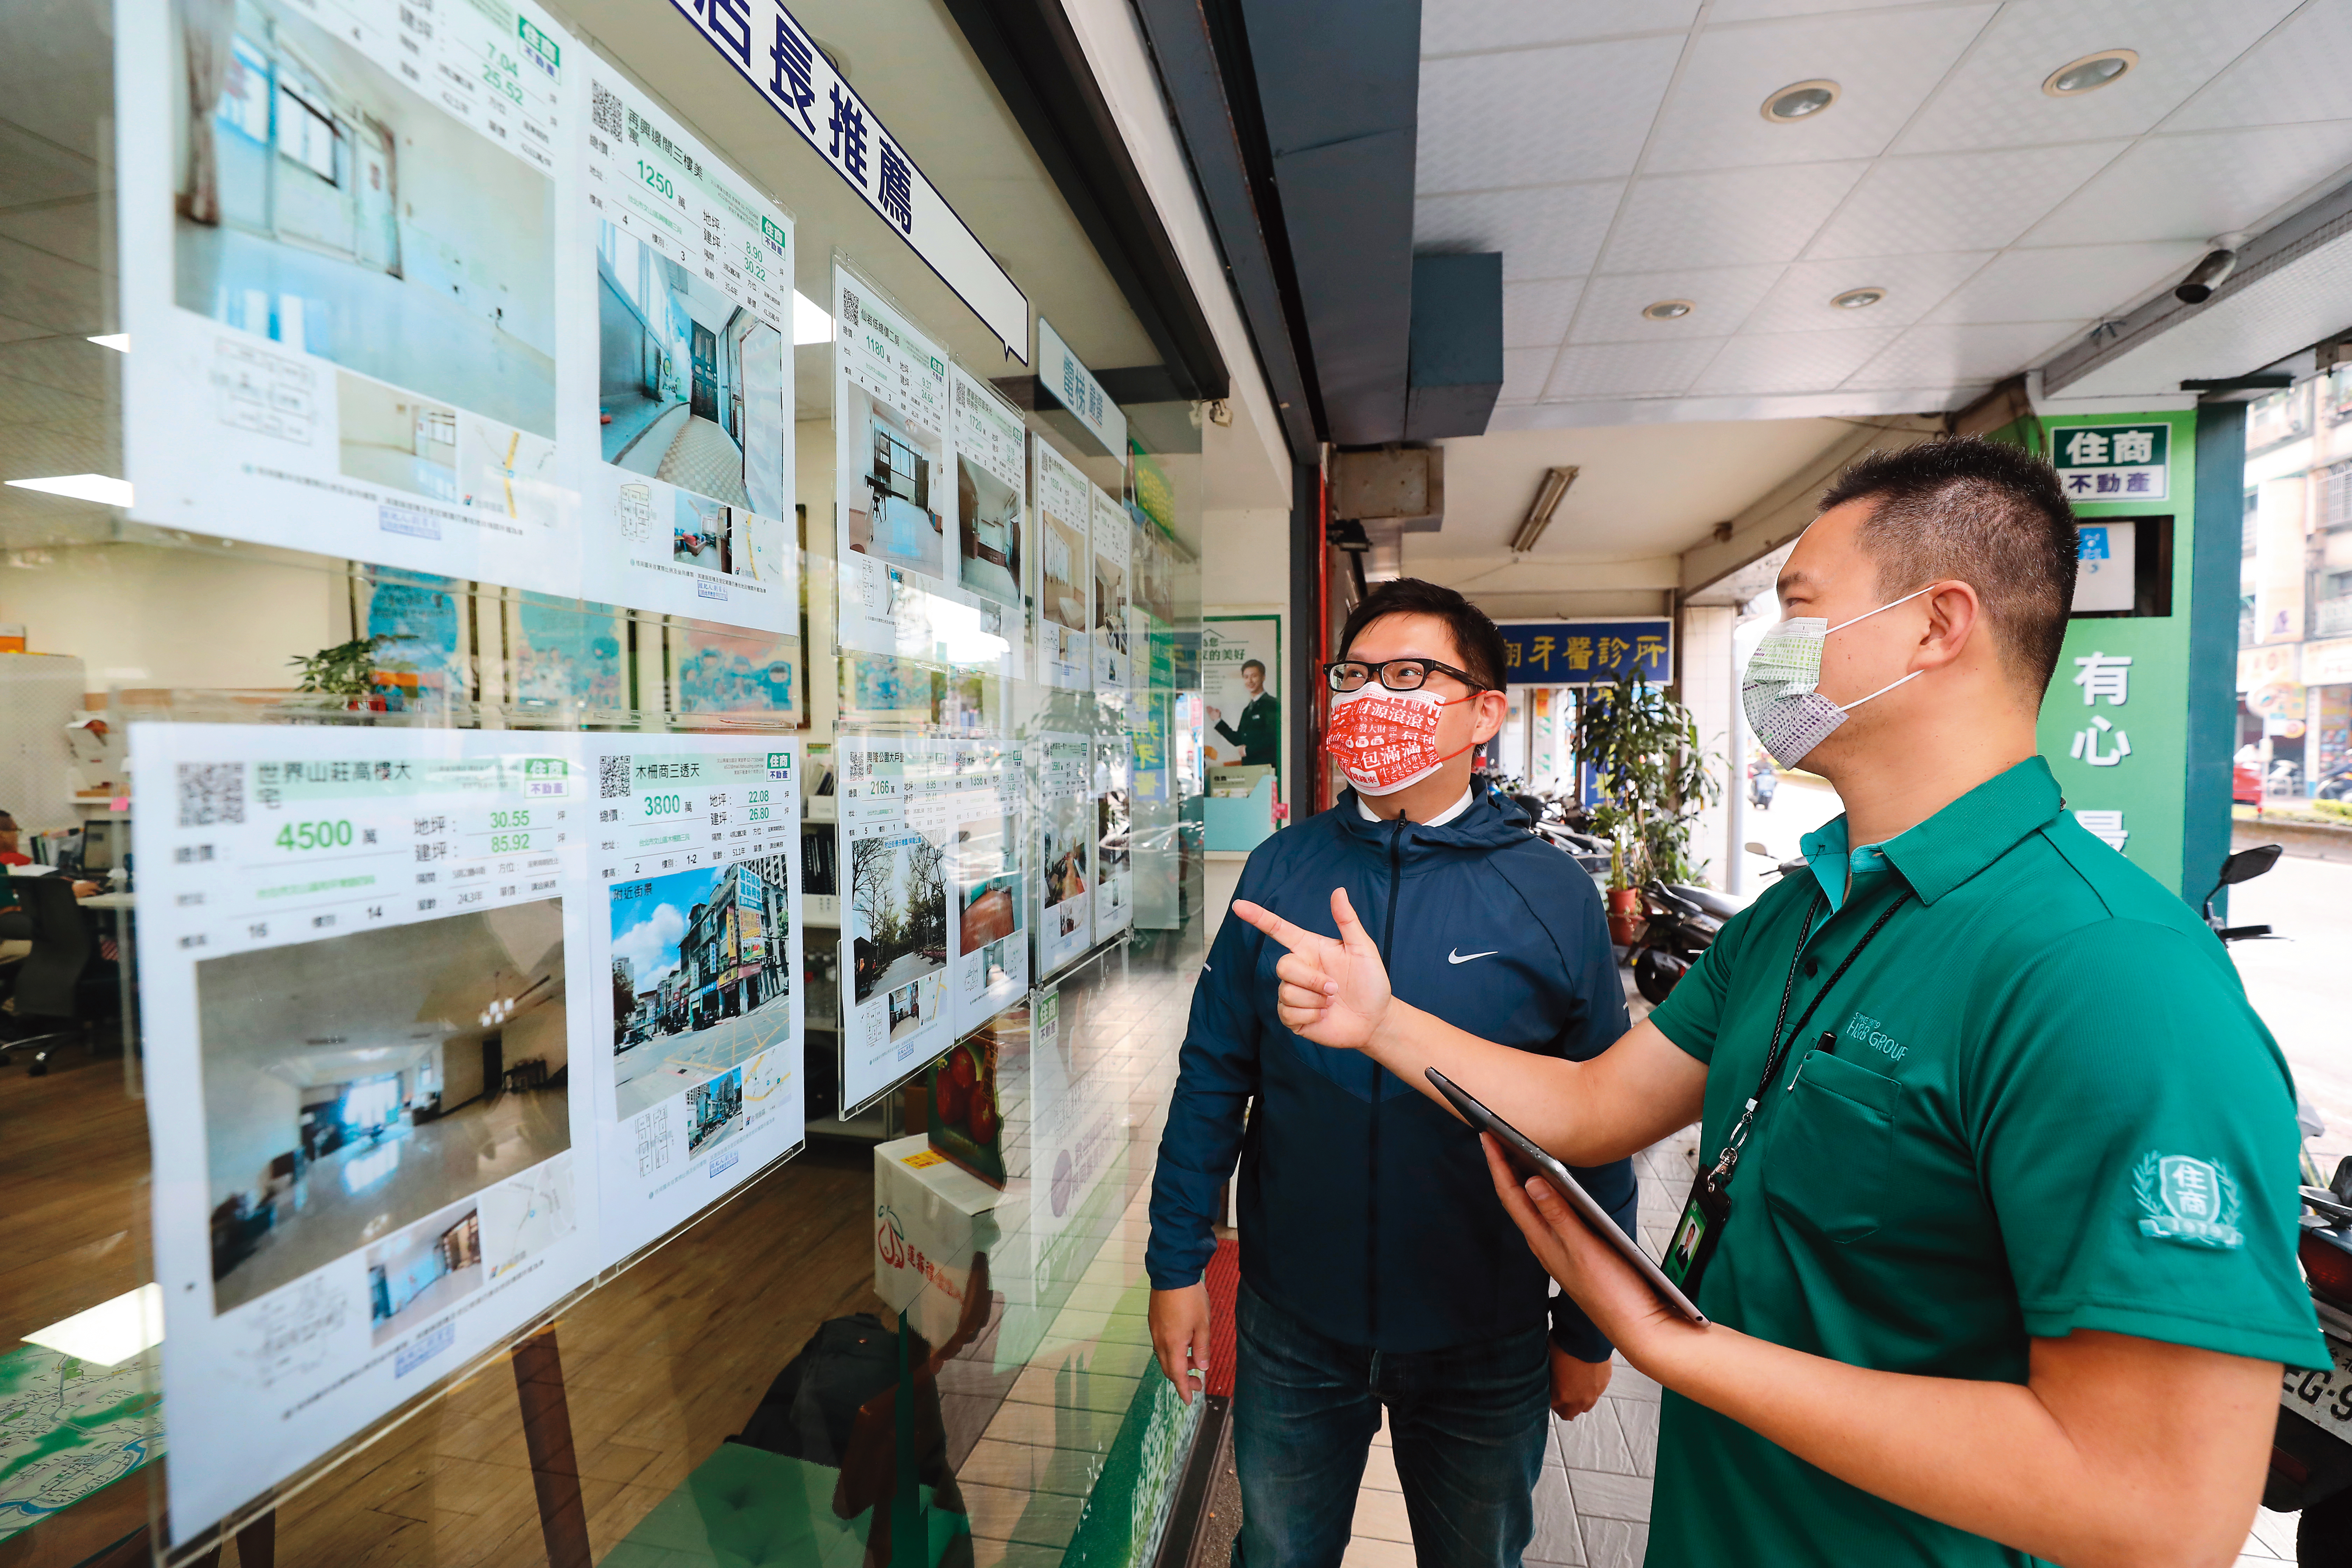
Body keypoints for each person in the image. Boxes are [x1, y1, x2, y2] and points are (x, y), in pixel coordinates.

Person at [1238, 437, 2328, 1568]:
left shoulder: (2109, 975)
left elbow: (2162, 1505)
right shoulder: (1797, 918)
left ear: (1936, 626)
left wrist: (1683, 1349)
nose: (1773, 652)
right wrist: (1380, 1023)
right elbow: (1596, 1106)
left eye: (1801, 607)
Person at [1148, 578, 1631, 1568]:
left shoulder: (1552, 895)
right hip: (1294, 1322)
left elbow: (1603, 1124)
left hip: (1484, 1331)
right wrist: (1178, 1262)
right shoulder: (1282, 871)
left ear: (1485, 712)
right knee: (1276, 1554)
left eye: (1411, 675)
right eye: (1357, 674)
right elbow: (1212, 1080)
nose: (1374, 696)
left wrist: (1591, 1322)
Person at [1209, 658, 1280, 769]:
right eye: (1246, 677)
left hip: (1267, 769)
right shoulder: (1248, 710)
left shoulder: (1271, 704)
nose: (1250, 681)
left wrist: (1248, 750)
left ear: (1263, 677)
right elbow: (1239, 739)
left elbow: (1275, 737)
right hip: (1250, 769)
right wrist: (1218, 721)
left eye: (1254, 676)